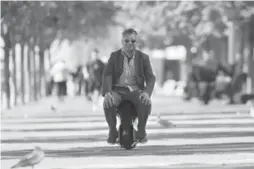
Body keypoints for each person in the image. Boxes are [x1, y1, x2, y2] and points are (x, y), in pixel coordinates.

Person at [102, 28, 156, 144]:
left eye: (133, 41)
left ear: (137, 42)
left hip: (135, 91)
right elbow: (107, 74)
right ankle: (112, 131)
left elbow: (151, 77)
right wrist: (107, 92)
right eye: (126, 41)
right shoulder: (114, 56)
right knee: (108, 102)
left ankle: (141, 131)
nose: (130, 43)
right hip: (117, 91)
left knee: (145, 101)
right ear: (122, 42)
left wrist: (147, 92)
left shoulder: (143, 57)